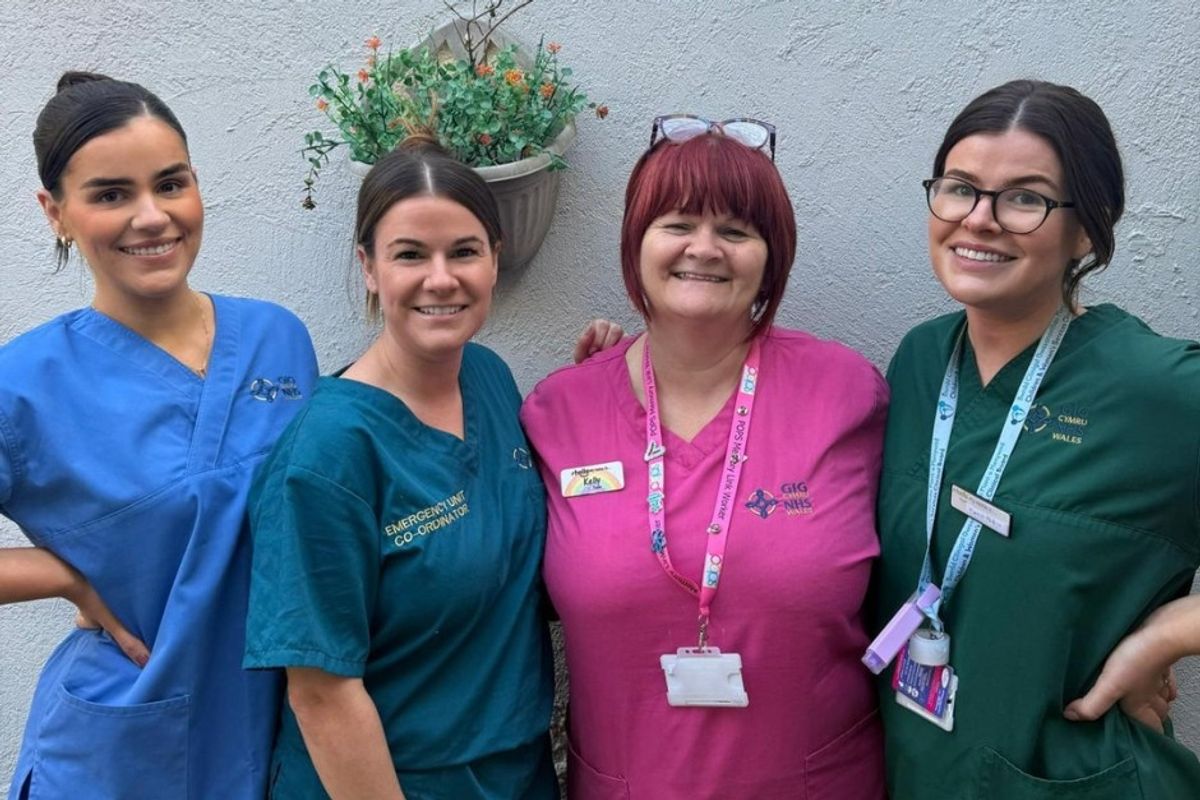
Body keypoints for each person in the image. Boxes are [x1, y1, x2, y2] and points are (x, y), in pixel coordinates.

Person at [521, 117, 889, 798]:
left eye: (737, 230)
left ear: (771, 256)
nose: (704, 248)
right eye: (678, 221)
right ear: (636, 244)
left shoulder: (847, 394)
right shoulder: (558, 412)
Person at [873, 79, 1200, 798]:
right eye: (960, 188)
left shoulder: (1154, 388)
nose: (980, 220)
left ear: (1088, 228)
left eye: (1025, 198)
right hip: (916, 769)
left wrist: (1168, 635)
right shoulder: (921, 362)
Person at [0, 72, 318, 799]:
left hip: (281, 735)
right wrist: (67, 576)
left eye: (170, 184)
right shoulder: (23, 386)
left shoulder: (278, 339)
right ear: (55, 213)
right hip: (124, 752)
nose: (152, 217)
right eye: (111, 194)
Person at [243, 136, 555, 799]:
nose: (441, 279)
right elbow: (322, 696)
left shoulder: (491, 381)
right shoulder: (329, 453)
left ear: (495, 261)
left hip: (515, 774)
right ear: (368, 267)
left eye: (464, 252)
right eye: (410, 254)